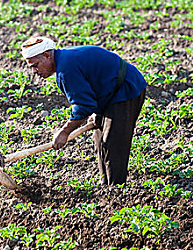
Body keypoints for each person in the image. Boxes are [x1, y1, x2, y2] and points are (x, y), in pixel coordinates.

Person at [21, 36, 147, 185]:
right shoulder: (64, 61)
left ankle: (117, 190)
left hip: (125, 91)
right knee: (100, 143)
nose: (35, 71)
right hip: (109, 94)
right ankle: (106, 186)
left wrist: (64, 132)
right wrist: (96, 111)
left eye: (36, 65)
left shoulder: (66, 70)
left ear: (47, 55)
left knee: (113, 146)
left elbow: (83, 105)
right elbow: (91, 87)